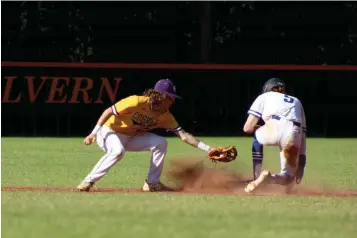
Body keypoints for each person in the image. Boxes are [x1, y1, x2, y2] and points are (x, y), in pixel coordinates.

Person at [77, 79, 217, 192]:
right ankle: (88, 181)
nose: (173, 101)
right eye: (171, 98)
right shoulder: (136, 101)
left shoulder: (165, 116)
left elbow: (184, 135)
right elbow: (108, 111)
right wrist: (93, 133)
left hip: (130, 137)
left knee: (161, 142)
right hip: (109, 132)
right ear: (162, 96)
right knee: (118, 151)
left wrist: (208, 149)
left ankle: (152, 183)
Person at [242, 78, 307, 193]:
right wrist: (301, 163)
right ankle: (269, 178)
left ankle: (256, 177)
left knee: (257, 138)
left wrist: (259, 128)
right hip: (294, 132)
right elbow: (303, 134)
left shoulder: (264, 96)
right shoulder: (296, 101)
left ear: (267, 89)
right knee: (288, 178)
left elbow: (247, 128)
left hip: (275, 125)